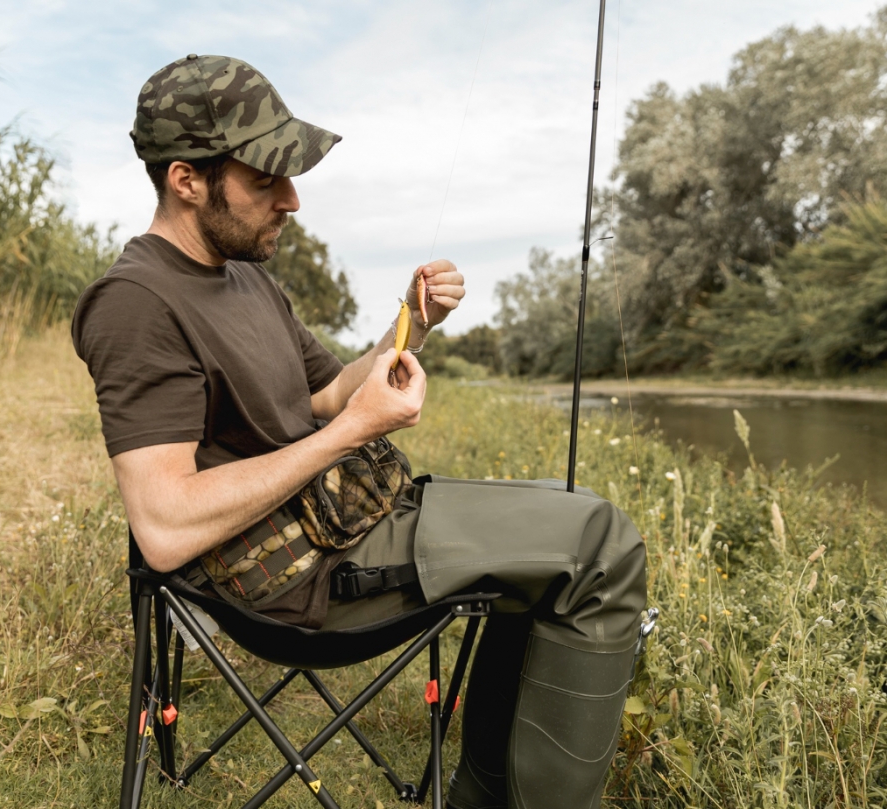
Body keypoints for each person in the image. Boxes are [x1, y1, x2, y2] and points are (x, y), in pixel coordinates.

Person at [72, 54, 647, 809]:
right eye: (265, 178)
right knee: (600, 544)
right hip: (298, 579)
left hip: (348, 520)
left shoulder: (243, 276)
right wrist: (350, 436)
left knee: (565, 511)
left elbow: (325, 391)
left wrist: (411, 326)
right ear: (186, 179)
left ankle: (485, 793)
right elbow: (165, 524)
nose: (292, 199)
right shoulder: (136, 303)